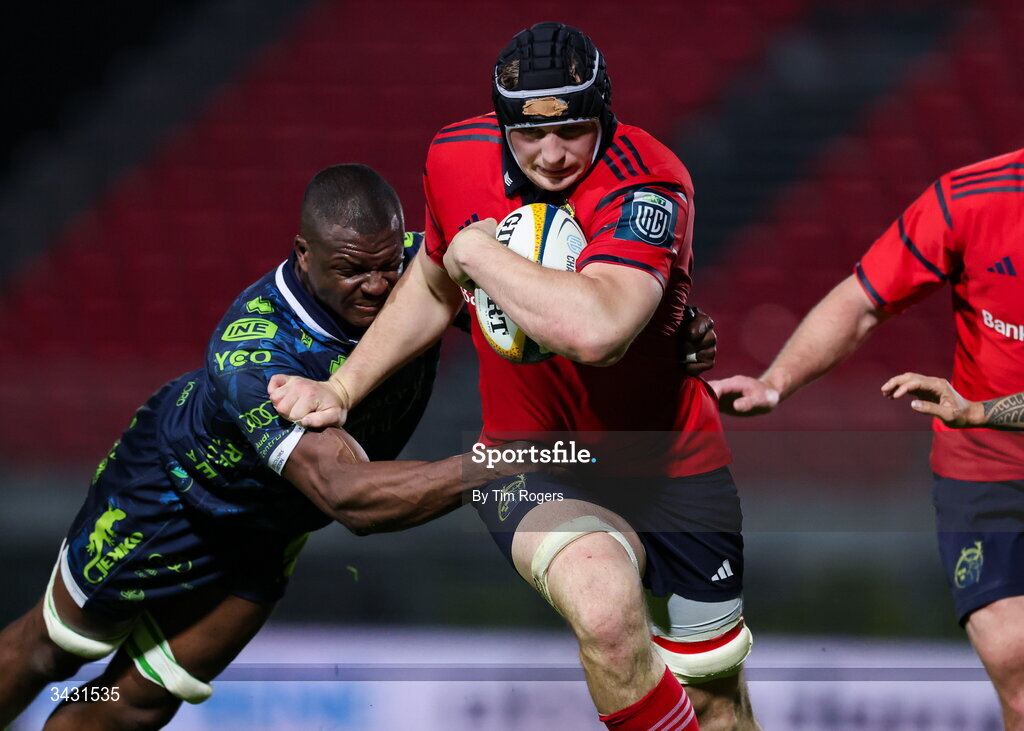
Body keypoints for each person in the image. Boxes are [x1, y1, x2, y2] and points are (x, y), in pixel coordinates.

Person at [270, 23, 759, 731]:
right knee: (607, 612)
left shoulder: (650, 184)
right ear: (502, 124)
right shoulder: (453, 158)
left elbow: (598, 331)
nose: (553, 154)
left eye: (574, 131)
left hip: (671, 461)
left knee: (715, 698)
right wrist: (342, 387)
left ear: (606, 116)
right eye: (530, 136)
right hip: (534, 460)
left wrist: (478, 250)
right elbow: (435, 286)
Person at [0, 164, 556, 730]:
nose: (378, 285)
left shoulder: (421, 265)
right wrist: (507, 460)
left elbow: (524, 315)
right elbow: (350, 499)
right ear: (303, 253)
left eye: (388, 265)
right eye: (352, 270)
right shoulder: (258, 350)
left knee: (139, 702)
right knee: (52, 653)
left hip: (272, 530)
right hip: (172, 503)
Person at [711, 148, 1024, 728]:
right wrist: (777, 382)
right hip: (987, 473)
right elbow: (860, 302)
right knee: (1016, 662)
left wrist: (979, 408)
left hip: (979, 424)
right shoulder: (967, 200)